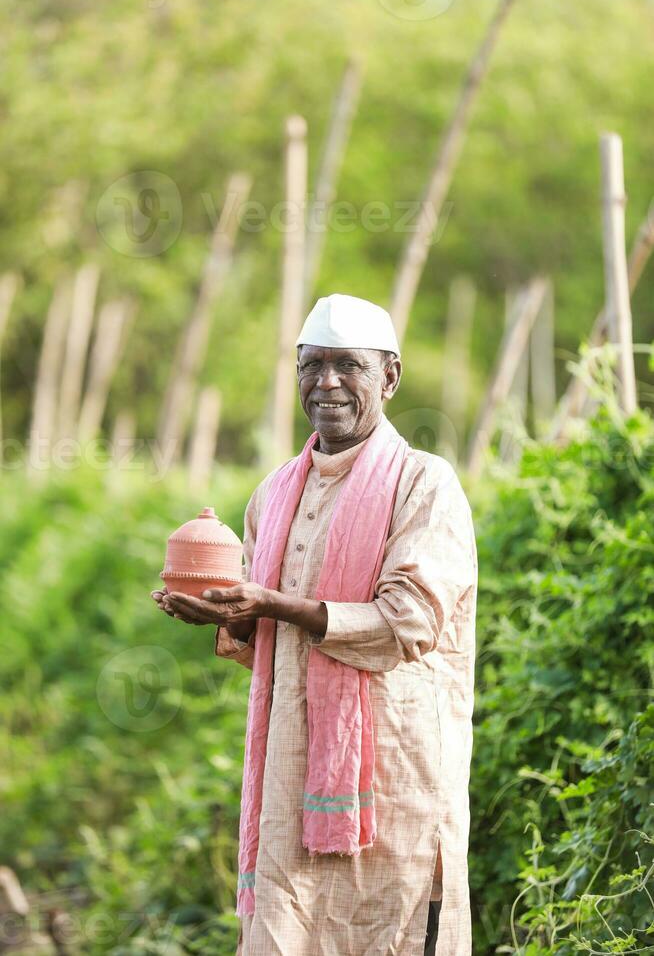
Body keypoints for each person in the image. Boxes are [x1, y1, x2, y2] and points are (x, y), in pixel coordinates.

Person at [152, 293, 478, 955]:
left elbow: (406, 625)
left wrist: (269, 605)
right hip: (289, 780)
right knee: (284, 935)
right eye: (312, 365)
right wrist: (228, 618)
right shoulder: (274, 491)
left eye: (348, 366)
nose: (327, 382)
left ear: (389, 377)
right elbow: (269, 646)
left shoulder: (425, 484)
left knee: (394, 932)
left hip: (395, 781)